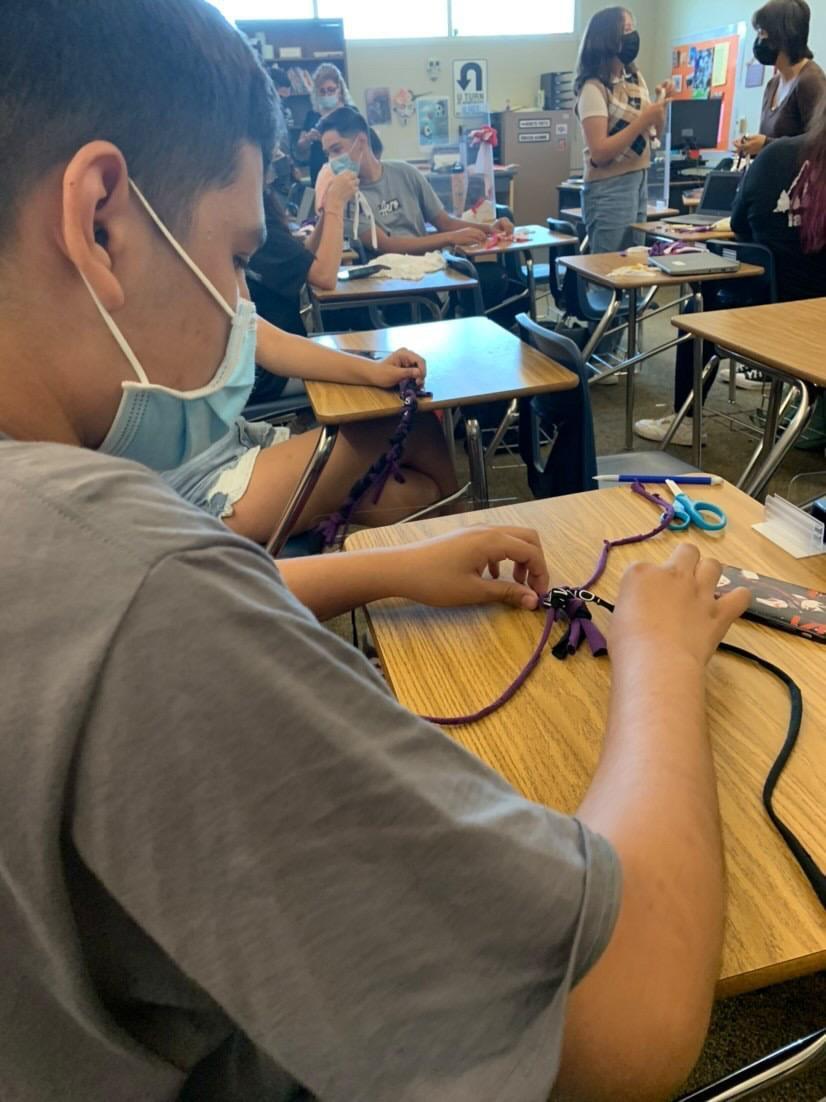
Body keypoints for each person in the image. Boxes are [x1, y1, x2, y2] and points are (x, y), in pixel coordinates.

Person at [0, 2, 752, 1099]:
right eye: (234, 257)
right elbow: (620, 1019)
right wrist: (661, 657)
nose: (235, 308)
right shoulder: (140, 588)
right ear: (101, 220)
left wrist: (390, 567)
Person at [635, 101, 826, 444]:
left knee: (698, 305)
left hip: (762, 320)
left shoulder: (775, 156)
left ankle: (685, 420)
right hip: (814, 331)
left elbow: (739, 226)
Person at [317, 106, 513, 255]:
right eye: (328, 154)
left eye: (337, 150)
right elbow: (387, 246)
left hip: (428, 270)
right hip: (385, 283)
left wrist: (489, 229)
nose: (333, 160)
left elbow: (444, 222)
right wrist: (450, 238)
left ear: (361, 141)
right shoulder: (346, 197)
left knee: (492, 278)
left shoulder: (405, 173)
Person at [245, 168, 358, 404]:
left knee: (364, 360)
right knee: (363, 371)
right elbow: (325, 277)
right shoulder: (254, 227)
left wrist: (326, 213)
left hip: (276, 354)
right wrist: (336, 205)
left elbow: (303, 255)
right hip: (272, 371)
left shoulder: (260, 215)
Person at [575, 7, 674, 254]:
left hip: (639, 178)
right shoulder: (593, 89)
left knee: (634, 260)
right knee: (608, 265)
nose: (633, 37)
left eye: (633, 29)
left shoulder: (635, 79)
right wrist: (643, 120)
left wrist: (660, 107)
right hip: (609, 187)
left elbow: (653, 135)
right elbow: (599, 152)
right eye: (626, 30)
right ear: (608, 38)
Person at [734, 0, 826, 160]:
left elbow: (819, 143)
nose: (758, 40)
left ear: (781, 36)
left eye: (762, 33)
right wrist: (752, 146)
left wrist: (766, 145)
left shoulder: (811, 81)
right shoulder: (773, 84)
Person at [295, 62, 353, 186]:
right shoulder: (312, 115)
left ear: (339, 89)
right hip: (319, 174)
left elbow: (359, 144)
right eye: (322, 91)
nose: (327, 94)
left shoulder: (350, 113)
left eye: (331, 90)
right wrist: (308, 139)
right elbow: (300, 148)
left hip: (345, 171)